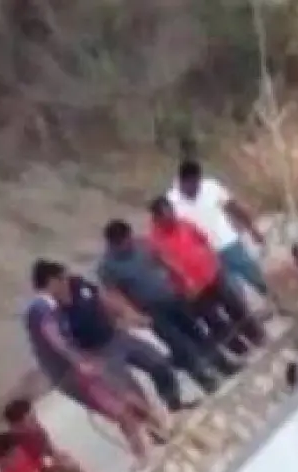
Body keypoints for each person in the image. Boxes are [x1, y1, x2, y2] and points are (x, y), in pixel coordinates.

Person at [26, 259, 166, 465]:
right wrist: (79, 361)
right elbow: (55, 338)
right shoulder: (42, 306)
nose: (67, 284)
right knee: (119, 406)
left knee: (125, 396)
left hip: (81, 364)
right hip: (71, 372)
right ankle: (145, 452)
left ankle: (158, 432)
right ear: (51, 281)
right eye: (63, 280)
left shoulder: (55, 304)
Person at [37, 259, 195, 414]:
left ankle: (174, 404)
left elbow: (104, 299)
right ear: (50, 284)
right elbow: (60, 343)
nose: (64, 281)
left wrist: (131, 315)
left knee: (158, 362)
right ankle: (157, 429)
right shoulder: (51, 310)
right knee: (130, 391)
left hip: (116, 334)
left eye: (64, 276)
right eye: (59, 280)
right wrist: (80, 362)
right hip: (98, 353)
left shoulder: (79, 284)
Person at [99, 219, 239, 391]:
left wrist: (184, 280)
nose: (128, 245)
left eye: (129, 239)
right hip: (151, 311)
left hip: (172, 296)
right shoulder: (108, 267)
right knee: (179, 344)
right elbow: (116, 295)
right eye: (124, 243)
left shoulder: (142, 244)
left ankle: (223, 364)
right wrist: (134, 315)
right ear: (114, 244)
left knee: (197, 332)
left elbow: (165, 261)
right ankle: (204, 379)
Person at [148, 196, 267, 356]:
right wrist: (185, 281)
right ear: (158, 218)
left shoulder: (184, 223)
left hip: (211, 274)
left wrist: (214, 262)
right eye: (166, 216)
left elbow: (203, 241)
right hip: (191, 289)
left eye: (171, 212)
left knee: (235, 305)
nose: (171, 217)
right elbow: (165, 264)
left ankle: (257, 336)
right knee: (215, 320)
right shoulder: (155, 240)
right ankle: (241, 350)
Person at [167, 160, 270, 299]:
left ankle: (277, 301)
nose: (195, 189)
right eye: (191, 186)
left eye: (197, 184)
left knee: (254, 275)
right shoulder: (171, 201)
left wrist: (253, 230)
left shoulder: (211, 186)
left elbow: (234, 208)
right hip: (206, 255)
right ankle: (248, 316)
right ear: (182, 181)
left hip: (229, 243)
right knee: (233, 290)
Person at [2, 397, 111, 472]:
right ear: (16, 426)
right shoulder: (14, 446)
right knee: (65, 469)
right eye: (30, 420)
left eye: (34, 417)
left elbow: (51, 451)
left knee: (67, 462)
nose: (35, 421)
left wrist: (60, 460)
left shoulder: (37, 430)